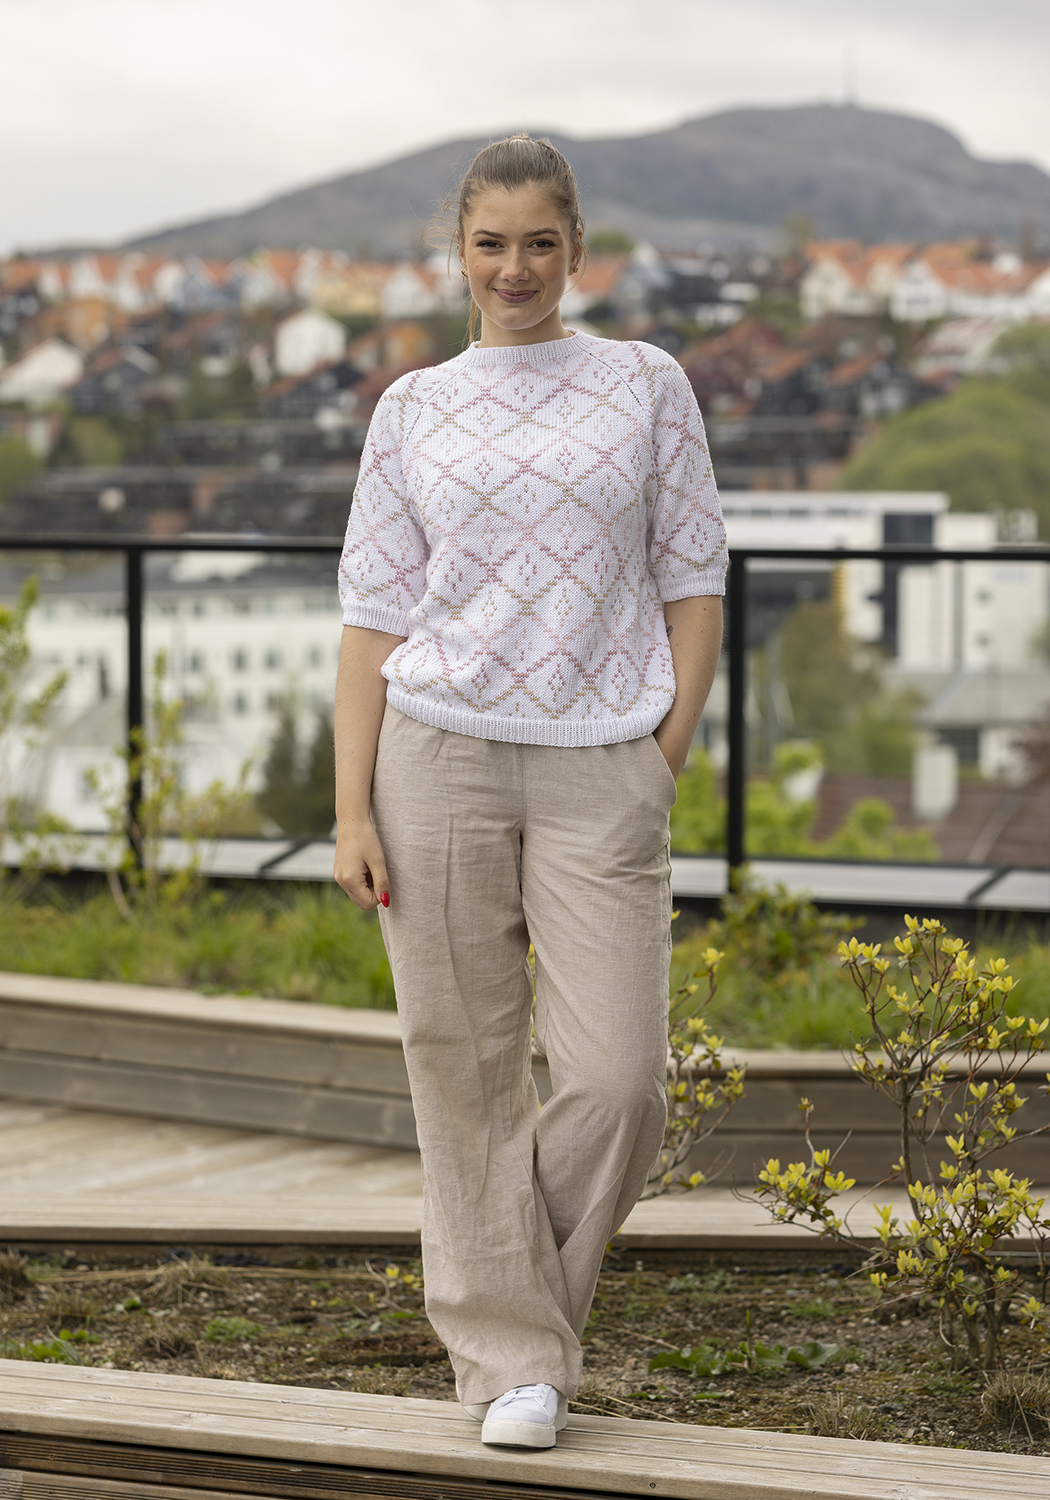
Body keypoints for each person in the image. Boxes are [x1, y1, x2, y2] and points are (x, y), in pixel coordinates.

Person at [333, 133, 726, 1450]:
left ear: (576, 249)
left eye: (539, 243)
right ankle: (514, 1365)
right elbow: (372, 619)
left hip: (602, 763)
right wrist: (350, 808)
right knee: (463, 1069)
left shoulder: (645, 383)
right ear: (459, 251)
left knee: (620, 1080)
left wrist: (661, 755)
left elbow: (693, 578)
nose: (515, 268)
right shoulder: (412, 408)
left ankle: (512, 1320)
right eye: (491, 243)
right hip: (431, 756)